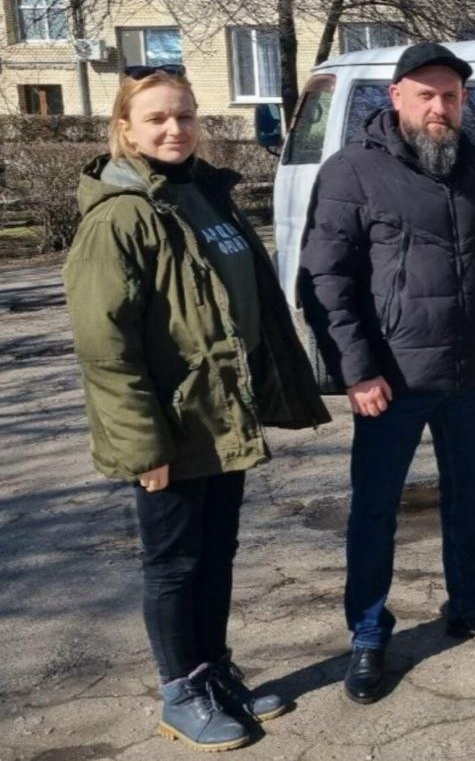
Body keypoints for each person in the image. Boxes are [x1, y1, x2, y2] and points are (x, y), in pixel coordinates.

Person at [64, 66, 330, 751]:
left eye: (184, 115)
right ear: (125, 130)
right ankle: (180, 693)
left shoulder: (204, 196)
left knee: (215, 553)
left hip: (223, 414)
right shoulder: (120, 217)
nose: (174, 129)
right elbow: (105, 347)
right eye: (156, 118)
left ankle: (212, 673)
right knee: (174, 564)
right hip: (171, 427)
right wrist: (143, 447)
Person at [298, 43, 475, 705]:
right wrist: (357, 371)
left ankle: (472, 603)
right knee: (375, 511)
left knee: (470, 495)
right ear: (396, 96)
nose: (440, 107)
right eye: (427, 95)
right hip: (390, 382)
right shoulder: (352, 172)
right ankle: (369, 633)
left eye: (451, 97)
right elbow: (325, 281)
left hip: (467, 372)